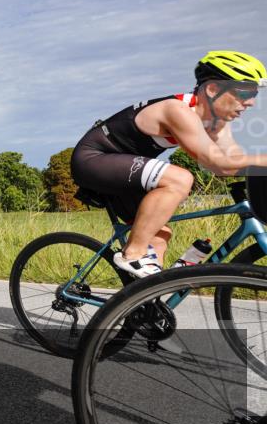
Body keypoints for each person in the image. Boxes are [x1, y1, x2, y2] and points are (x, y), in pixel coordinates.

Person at [71, 50, 267, 277]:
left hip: (127, 170)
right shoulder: (178, 110)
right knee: (180, 179)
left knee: (159, 236)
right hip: (94, 159)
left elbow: (235, 163)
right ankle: (131, 255)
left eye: (255, 92)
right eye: (245, 91)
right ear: (213, 89)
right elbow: (219, 164)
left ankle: (143, 301)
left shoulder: (217, 122)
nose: (251, 102)